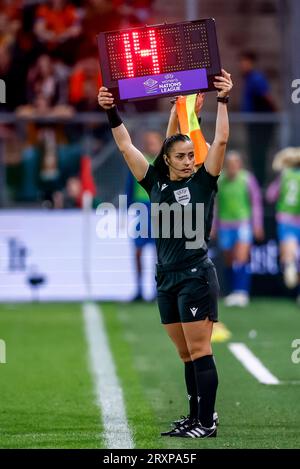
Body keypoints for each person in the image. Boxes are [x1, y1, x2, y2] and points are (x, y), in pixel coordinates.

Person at [98, 68, 232, 439]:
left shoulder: (204, 182)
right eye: (183, 155)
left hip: (195, 276)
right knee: (186, 355)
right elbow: (125, 146)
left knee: (201, 350)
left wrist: (223, 100)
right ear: (168, 159)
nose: (191, 160)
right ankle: (194, 416)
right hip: (166, 277)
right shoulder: (154, 181)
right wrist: (111, 110)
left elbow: (220, 141)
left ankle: (207, 422)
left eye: (192, 155)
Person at [213, 151, 264, 307]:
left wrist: (257, 225)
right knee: (229, 258)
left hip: (243, 223)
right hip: (225, 225)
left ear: (240, 165)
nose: (232, 167)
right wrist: (213, 226)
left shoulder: (247, 179)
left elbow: (255, 203)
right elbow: (215, 205)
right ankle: (232, 292)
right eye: (229, 164)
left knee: (241, 256)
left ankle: (241, 292)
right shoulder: (220, 181)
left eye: (235, 163)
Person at [126, 130, 163, 301]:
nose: (150, 146)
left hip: (160, 210)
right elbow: (129, 186)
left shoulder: (164, 163)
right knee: (138, 251)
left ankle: (159, 290)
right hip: (141, 210)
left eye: (153, 142)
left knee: (160, 253)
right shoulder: (138, 161)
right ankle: (140, 289)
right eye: (148, 142)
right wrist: (127, 208)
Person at [266, 147, 300, 301]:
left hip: (286, 220)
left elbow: (271, 196)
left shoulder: (284, 176)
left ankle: (290, 265)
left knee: (289, 256)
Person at [239, 51, 277, 186]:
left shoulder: (256, 78)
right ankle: (257, 185)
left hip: (260, 125)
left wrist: (272, 114)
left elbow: (267, 97)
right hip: (253, 124)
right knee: (254, 155)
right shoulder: (248, 79)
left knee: (259, 155)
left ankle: (260, 186)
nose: (242, 65)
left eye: (245, 62)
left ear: (251, 63)